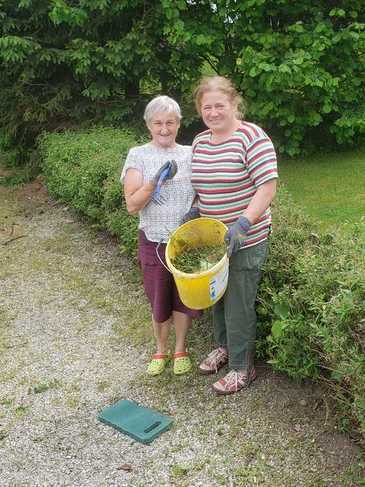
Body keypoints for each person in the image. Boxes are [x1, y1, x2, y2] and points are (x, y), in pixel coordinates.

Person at [186, 76, 278, 394]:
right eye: (206, 107)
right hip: (214, 240)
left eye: (219, 105)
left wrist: (244, 223)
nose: (213, 112)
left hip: (246, 238)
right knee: (217, 297)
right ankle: (225, 348)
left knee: (238, 303)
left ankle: (243, 368)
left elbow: (267, 187)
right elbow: (201, 184)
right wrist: (194, 210)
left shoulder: (252, 137)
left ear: (234, 104)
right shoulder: (199, 141)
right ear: (200, 109)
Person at [121, 95, 201, 376]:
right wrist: (156, 180)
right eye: (158, 123)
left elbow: (202, 192)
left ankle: (180, 348)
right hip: (154, 241)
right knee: (158, 298)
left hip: (185, 242)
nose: (164, 129)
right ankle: (160, 349)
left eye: (170, 122)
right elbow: (132, 205)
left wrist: (195, 210)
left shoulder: (190, 153)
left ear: (179, 124)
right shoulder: (138, 155)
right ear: (148, 125)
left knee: (183, 298)